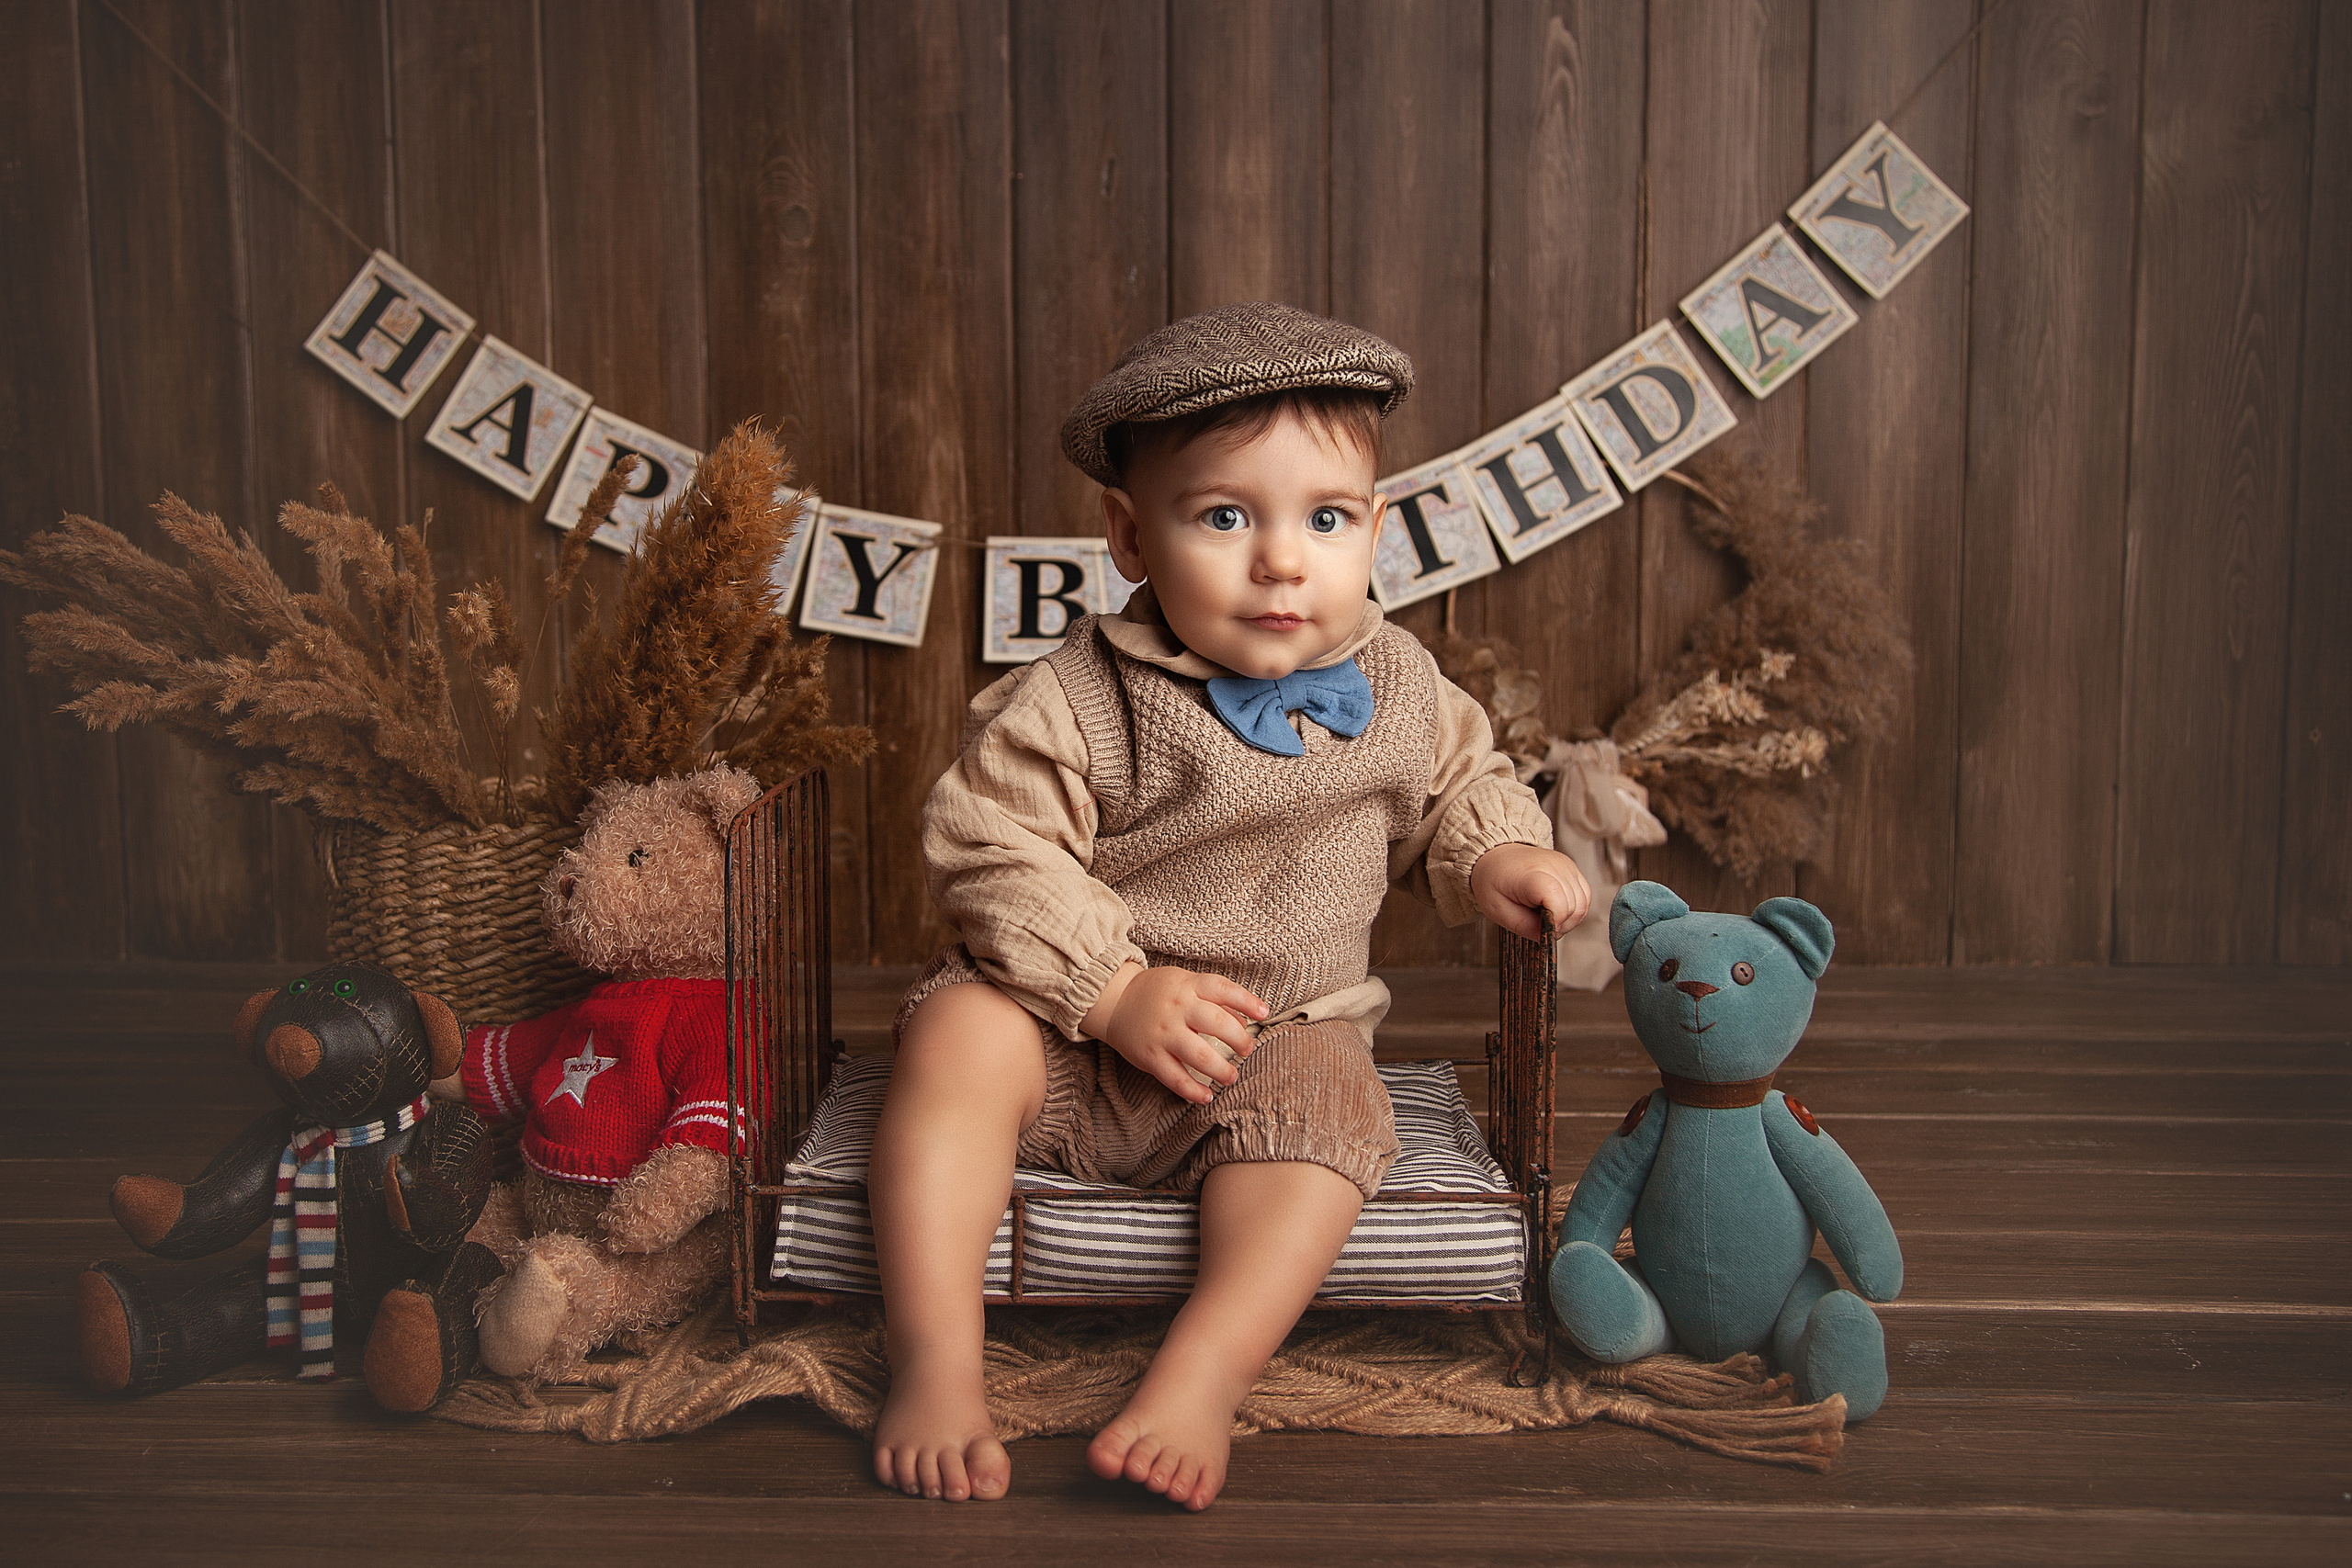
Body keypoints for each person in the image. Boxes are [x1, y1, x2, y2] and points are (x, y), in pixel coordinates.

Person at [865, 302, 1590, 1510]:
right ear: (1129, 534)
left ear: (1377, 529)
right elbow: (984, 844)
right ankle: (937, 1362)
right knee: (954, 1037)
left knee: (1333, 1112)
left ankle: (1202, 1374)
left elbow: (1466, 781)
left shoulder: (1399, 682)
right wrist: (1109, 989)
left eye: (1324, 518)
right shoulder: (1079, 695)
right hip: (1072, 1034)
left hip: (1271, 1039)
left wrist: (1499, 853)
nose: (1280, 560)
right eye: (1222, 516)